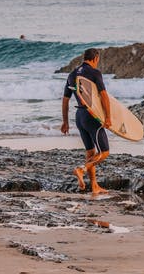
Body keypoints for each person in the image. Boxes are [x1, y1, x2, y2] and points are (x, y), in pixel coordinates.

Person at [61, 48, 112, 195]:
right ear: (95, 58)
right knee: (105, 152)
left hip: (79, 116)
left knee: (90, 152)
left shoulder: (71, 75)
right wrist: (108, 117)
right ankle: (81, 169)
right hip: (92, 117)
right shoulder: (95, 73)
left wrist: (65, 122)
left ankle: (95, 187)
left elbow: (65, 101)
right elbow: (103, 96)